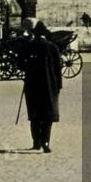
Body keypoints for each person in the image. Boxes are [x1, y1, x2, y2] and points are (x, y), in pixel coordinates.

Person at [22, 21, 62, 153]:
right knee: (47, 115)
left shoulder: (29, 46)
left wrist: (28, 69)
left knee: (34, 114)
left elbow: (19, 63)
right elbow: (58, 68)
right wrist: (58, 87)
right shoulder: (53, 48)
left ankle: (36, 142)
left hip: (32, 84)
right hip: (49, 85)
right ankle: (45, 141)